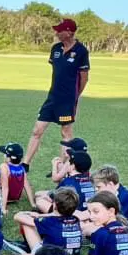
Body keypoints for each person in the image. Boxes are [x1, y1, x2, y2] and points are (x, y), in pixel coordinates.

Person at [22, 18, 90, 167]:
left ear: (69, 32)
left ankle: (62, 167)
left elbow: (84, 77)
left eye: (60, 30)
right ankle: (25, 164)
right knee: (37, 130)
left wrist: (75, 97)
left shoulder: (81, 51)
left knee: (66, 134)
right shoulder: (56, 49)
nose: (57, 33)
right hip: (52, 98)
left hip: (68, 100)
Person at [15, 186, 83, 255]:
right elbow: (57, 216)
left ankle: (27, 248)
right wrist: (40, 215)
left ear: (54, 205)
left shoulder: (49, 222)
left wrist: (26, 213)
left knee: (27, 224)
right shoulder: (76, 220)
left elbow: (17, 217)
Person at [92, 163, 128, 238]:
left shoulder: (125, 198)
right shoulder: (116, 192)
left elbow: (117, 221)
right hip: (117, 225)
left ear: (110, 184)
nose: (96, 190)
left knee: (89, 228)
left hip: (126, 231)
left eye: (99, 187)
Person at [0, 142, 35, 210]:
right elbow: (27, 186)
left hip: (4, 196)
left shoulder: (4, 167)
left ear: (9, 158)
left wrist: (3, 208)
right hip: (16, 198)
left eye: (5, 154)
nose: (4, 155)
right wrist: (33, 204)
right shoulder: (22, 168)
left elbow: (5, 188)